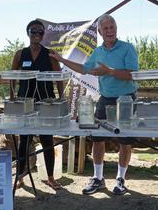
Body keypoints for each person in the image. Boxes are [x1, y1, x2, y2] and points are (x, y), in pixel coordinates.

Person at [50, 14, 139, 195]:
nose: (109, 31)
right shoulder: (97, 52)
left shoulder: (127, 48)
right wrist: (62, 60)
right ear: (99, 32)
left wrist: (109, 71)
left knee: (125, 140)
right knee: (97, 138)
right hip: (105, 99)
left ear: (116, 28)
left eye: (112, 27)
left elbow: (131, 74)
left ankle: (121, 179)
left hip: (126, 100)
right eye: (105, 28)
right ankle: (98, 179)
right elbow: (84, 69)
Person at [11, 19, 63, 190]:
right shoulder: (20, 54)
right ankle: (20, 177)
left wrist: (60, 98)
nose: (37, 35)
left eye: (40, 32)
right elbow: (12, 76)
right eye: (34, 31)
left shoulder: (50, 54)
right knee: (23, 140)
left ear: (43, 35)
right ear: (28, 33)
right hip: (25, 102)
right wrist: (13, 98)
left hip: (46, 103)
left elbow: (59, 76)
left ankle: (50, 177)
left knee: (46, 139)